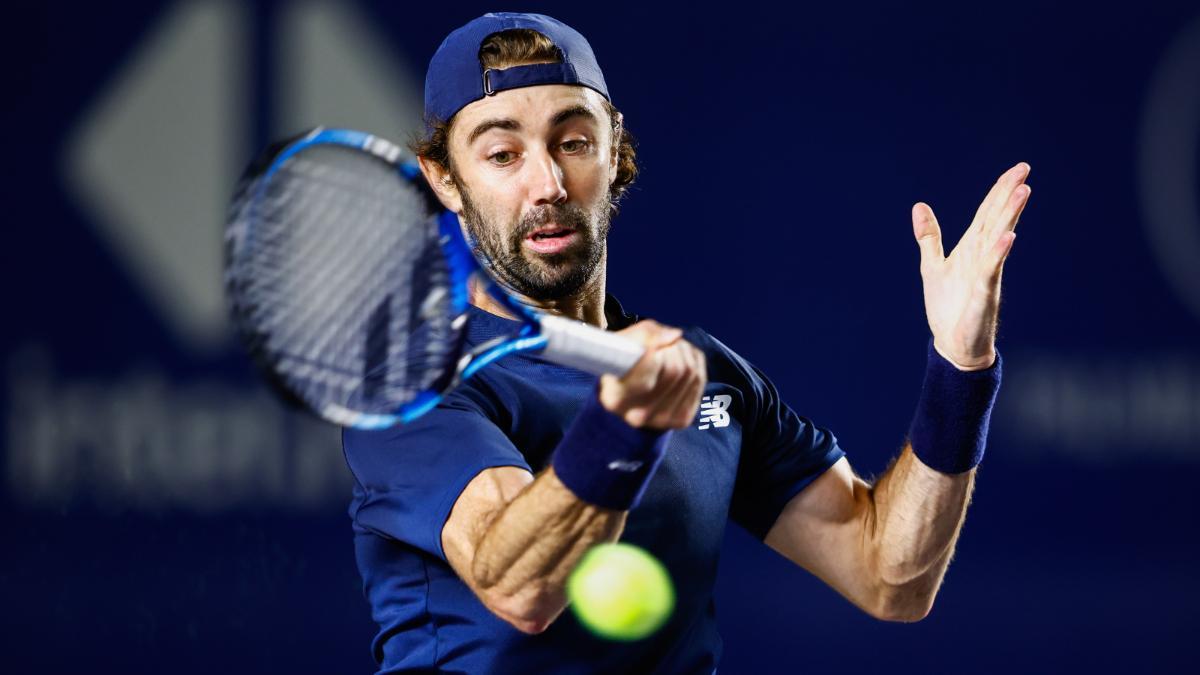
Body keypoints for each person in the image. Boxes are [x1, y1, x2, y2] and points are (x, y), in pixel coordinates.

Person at [342, 12, 1030, 674]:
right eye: (501, 154)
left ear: (614, 150)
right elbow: (520, 586)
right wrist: (622, 428)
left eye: (573, 142)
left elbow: (891, 574)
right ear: (444, 180)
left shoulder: (708, 376)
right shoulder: (412, 380)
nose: (546, 183)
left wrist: (959, 368)